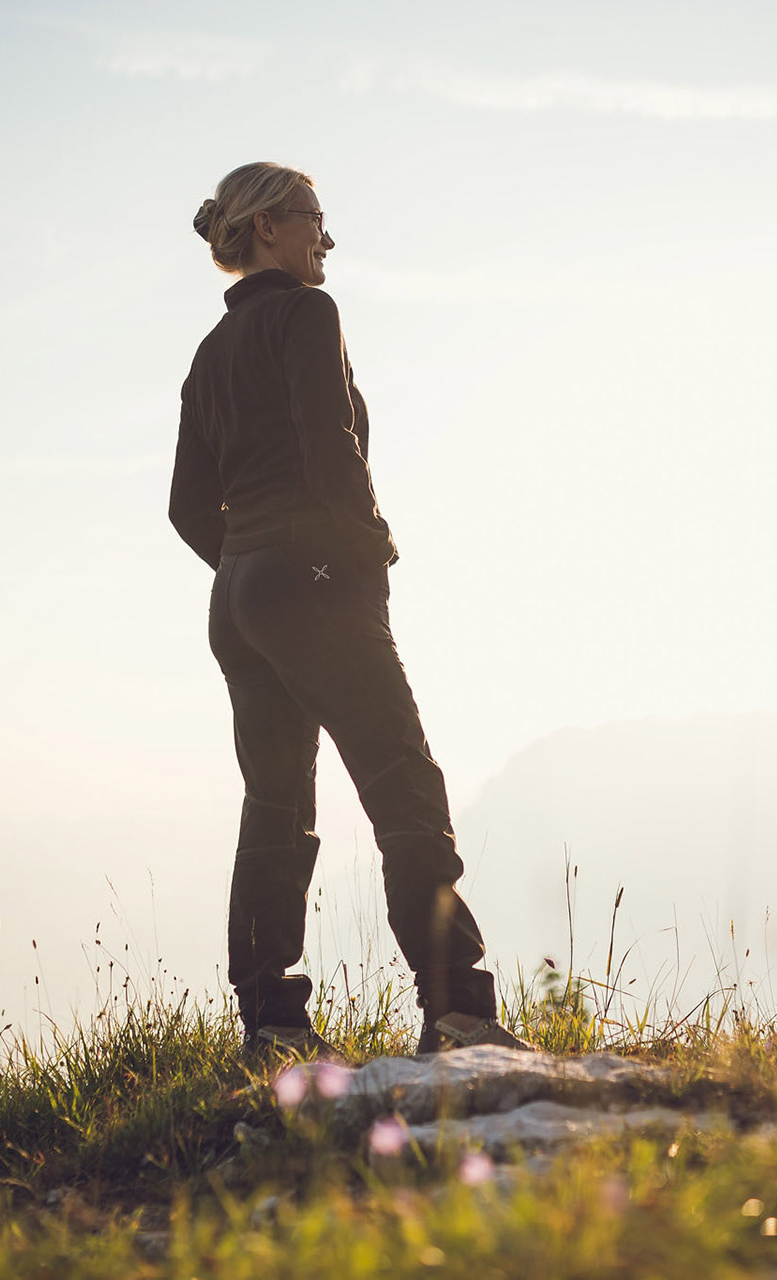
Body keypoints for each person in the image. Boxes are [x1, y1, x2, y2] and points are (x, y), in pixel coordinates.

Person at [169, 162, 532, 1062]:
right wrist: (359, 558)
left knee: (276, 806)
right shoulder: (308, 315)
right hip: (313, 578)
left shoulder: (208, 356)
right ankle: (459, 1013)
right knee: (404, 785)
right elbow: (331, 443)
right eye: (314, 220)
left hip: (240, 594)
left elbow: (185, 506)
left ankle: (273, 1028)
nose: (326, 239)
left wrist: (251, 567)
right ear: (264, 230)